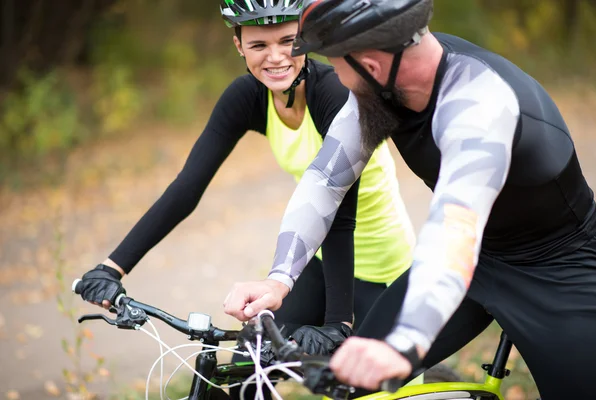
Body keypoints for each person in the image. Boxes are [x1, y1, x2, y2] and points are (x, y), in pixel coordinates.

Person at [222, 1, 596, 399]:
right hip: (480, 260)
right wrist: (280, 278)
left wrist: (408, 342)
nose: (338, 78)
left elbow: (456, 226)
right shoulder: (386, 82)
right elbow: (326, 179)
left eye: (337, 64)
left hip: (559, 268)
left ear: (370, 65)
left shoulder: (478, 104)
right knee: (353, 382)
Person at [75, 0, 416, 367]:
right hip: (314, 261)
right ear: (239, 45)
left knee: (358, 386)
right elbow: (187, 188)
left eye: (288, 41)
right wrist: (113, 268)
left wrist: (338, 325)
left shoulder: (334, 94)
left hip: (384, 269)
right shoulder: (247, 96)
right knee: (247, 369)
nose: (276, 58)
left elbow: (338, 210)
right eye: (258, 46)